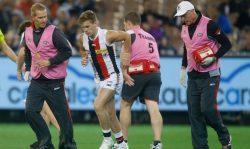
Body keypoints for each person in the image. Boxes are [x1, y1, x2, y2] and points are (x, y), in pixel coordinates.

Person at [19, 3, 77, 149]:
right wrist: (26, 69)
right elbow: (28, 51)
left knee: (62, 117)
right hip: (37, 81)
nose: (44, 20)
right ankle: (45, 142)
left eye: (45, 16)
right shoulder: (27, 33)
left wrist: (50, 61)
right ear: (32, 18)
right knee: (30, 111)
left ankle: (68, 145)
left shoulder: (54, 32)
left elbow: (67, 51)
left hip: (54, 81)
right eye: (40, 17)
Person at [175, 1, 232, 149]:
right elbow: (186, 48)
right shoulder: (184, 27)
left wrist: (214, 57)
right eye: (180, 17)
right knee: (194, 116)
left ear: (192, 11)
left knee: (207, 110)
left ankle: (224, 136)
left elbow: (227, 44)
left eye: (183, 16)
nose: (182, 19)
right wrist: (182, 68)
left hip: (210, 74)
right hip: (192, 76)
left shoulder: (210, 25)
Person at [78, 10, 130, 149]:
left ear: (96, 23)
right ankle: (122, 144)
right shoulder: (82, 38)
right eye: (83, 27)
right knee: (111, 115)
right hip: (99, 80)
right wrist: (84, 56)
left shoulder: (107, 35)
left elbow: (126, 35)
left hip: (113, 76)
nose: (85, 30)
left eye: (88, 26)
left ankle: (107, 140)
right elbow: (82, 49)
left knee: (98, 105)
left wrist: (127, 53)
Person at [119, 12, 163, 149]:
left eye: (124, 24)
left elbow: (124, 56)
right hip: (155, 73)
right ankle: (157, 143)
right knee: (153, 108)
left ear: (127, 22)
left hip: (137, 71)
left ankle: (123, 143)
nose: (124, 27)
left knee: (125, 105)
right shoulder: (150, 36)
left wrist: (124, 72)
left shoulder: (129, 34)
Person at [16, 21, 60, 149]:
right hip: (51, 73)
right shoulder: (45, 34)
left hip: (38, 75)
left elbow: (22, 53)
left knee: (42, 106)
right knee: (42, 112)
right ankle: (43, 142)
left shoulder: (27, 34)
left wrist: (19, 69)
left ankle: (59, 130)